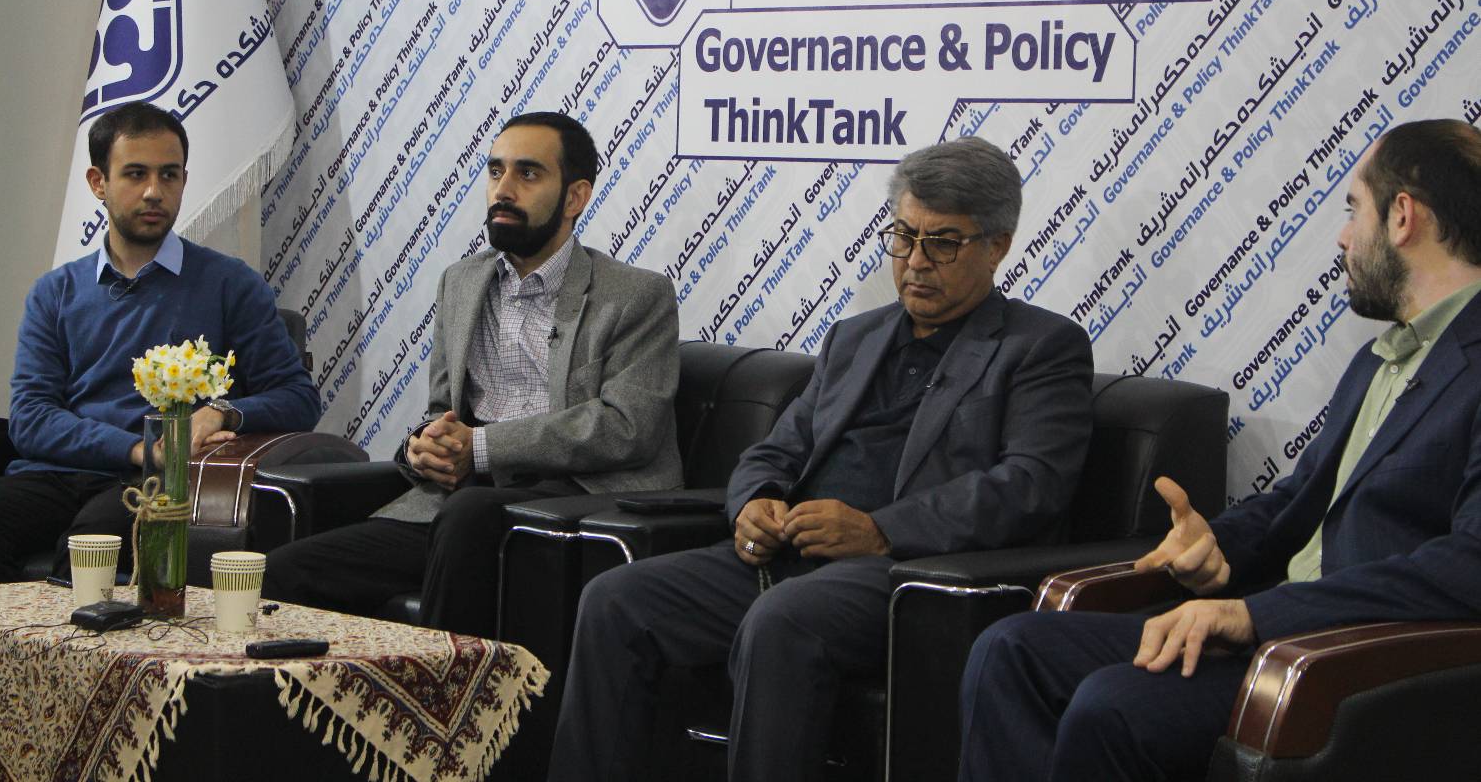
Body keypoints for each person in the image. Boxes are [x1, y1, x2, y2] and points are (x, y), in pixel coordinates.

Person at [547, 136, 1096, 782]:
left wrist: (879, 530)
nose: (916, 262)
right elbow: (777, 449)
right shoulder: (855, 337)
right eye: (904, 237)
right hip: (787, 555)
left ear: (998, 245)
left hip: (902, 573)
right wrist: (753, 502)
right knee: (614, 600)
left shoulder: (1041, 347)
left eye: (943, 244)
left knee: (783, 620)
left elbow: (1030, 485)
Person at [958, 118, 1481, 782]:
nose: (1344, 237)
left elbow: (1469, 567)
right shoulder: (1381, 359)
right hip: (1278, 628)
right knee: (1010, 649)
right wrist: (1217, 546)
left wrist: (1253, 614)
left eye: (1355, 210)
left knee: (1113, 706)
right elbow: (1298, 501)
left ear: (1403, 217)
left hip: (1345, 660)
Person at [262, 112, 681, 636]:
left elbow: (627, 427)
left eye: (528, 174)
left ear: (575, 197)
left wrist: (480, 448)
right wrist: (424, 447)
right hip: (463, 503)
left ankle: (449, 686)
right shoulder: (461, 282)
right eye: (496, 171)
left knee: (470, 513)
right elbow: (444, 412)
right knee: (285, 573)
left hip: (578, 501)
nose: (503, 190)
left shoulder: (635, 295)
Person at [0, 101, 321, 584]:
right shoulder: (56, 292)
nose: (153, 192)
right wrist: (137, 449)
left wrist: (222, 412)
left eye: (169, 175)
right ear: (98, 182)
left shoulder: (230, 284)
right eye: (135, 174)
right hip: (59, 472)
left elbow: (298, 398)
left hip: (160, 484)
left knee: (90, 548)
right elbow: (31, 418)